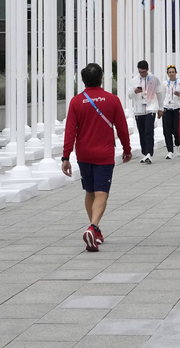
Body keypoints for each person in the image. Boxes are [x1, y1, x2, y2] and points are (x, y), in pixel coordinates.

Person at [62, 63, 132, 252]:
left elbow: (70, 130)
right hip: (104, 153)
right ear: (101, 78)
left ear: (83, 80)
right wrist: (127, 148)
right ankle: (93, 227)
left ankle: (96, 229)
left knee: (89, 191)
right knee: (102, 193)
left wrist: (65, 157)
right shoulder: (112, 100)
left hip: (83, 153)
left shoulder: (76, 101)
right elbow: (121, 127)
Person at [130, 61, 166, 164]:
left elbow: (159, 94)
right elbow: (129, 95)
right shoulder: (134, 81)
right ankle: (145, 153)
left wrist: (161, 108)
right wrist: (134, 91)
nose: (142, 74)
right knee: (142, 132)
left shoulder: (154, 79)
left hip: (151, 108)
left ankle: (149, 153)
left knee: (149, 131)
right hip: (139, 109)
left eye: (144, 72)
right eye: (140, 72)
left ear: (147, 69)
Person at [162, 65, 180, 159]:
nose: (171, 74)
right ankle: (170, 151)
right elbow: (161, 96)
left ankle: (178, 146)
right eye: (169, 72)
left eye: (173, 72)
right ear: (167, 74)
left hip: (177, 108)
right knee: (167, 130)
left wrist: (179, 95)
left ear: (176, 73)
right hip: (167, 108)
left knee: (177, 129)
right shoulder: (164, 84)